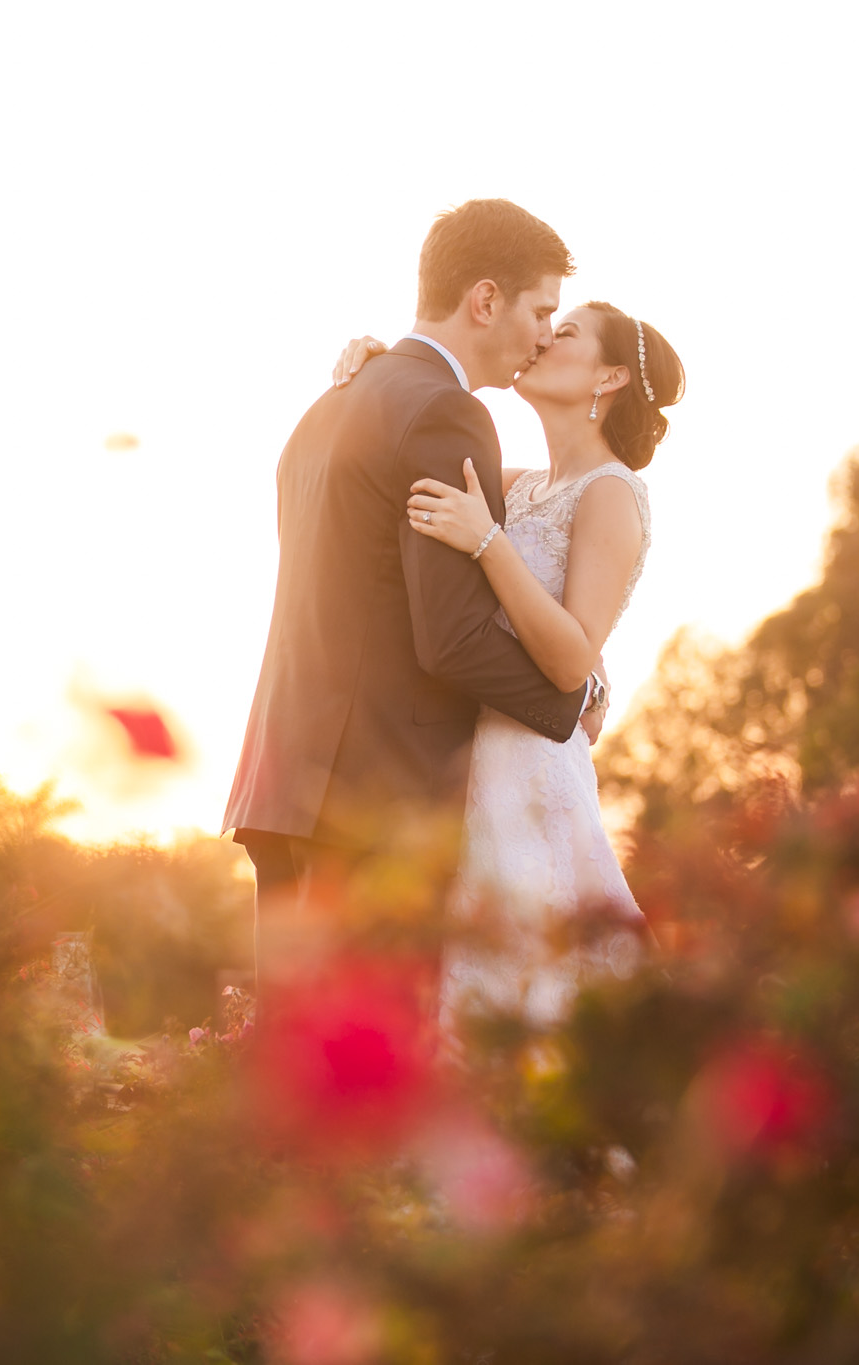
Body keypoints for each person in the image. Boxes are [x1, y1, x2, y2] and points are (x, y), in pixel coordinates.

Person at [221, 199, 597, 1009]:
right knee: (367, 1088)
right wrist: (571, 697)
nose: (542, 336)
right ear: (485, 300)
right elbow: (452, 639)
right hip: (371, 800)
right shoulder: (446, 411)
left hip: (283, 783)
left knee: (297, 1083)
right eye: (541, 312)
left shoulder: (328, 406)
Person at [332, 299, 685, 1034]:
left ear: (610, 375)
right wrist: (380, 367)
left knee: (529, 975)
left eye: (566, 334)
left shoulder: (613, 493)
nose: (542, 341)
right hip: (467, 756)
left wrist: (488, 541)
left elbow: (568, 658)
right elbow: (411, 450)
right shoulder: (522, 483)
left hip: (530, 763)